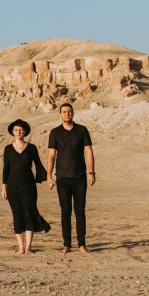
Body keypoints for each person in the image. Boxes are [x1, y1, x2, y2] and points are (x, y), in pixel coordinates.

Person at [46, 103, 95, 255]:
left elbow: (88, 152)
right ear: (60, 115)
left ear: (73, 113)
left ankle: (81, 244)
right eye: (64, 112)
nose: (67, 114)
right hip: (62, 178)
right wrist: (49, 176)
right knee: (65, 212)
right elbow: (51, 156)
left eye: (69, 111)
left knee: (80, 211)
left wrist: (91, 173)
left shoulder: (82, 130)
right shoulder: (55, 133)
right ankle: (66, 244)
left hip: (80, 177)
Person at [2, 119, 51, 255]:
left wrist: (48, 178)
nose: (19, 132)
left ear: (25, 132)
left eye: (21, 130)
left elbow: (38, 165)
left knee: (29, 212)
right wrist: (4, 187)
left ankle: (28, 247)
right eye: (16, 130)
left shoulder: (32, 148)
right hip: (12, 186)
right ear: (13, 132)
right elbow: (6, 169)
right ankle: (20, 247)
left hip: (29, 185)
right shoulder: (7, 149)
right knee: (17, 214)